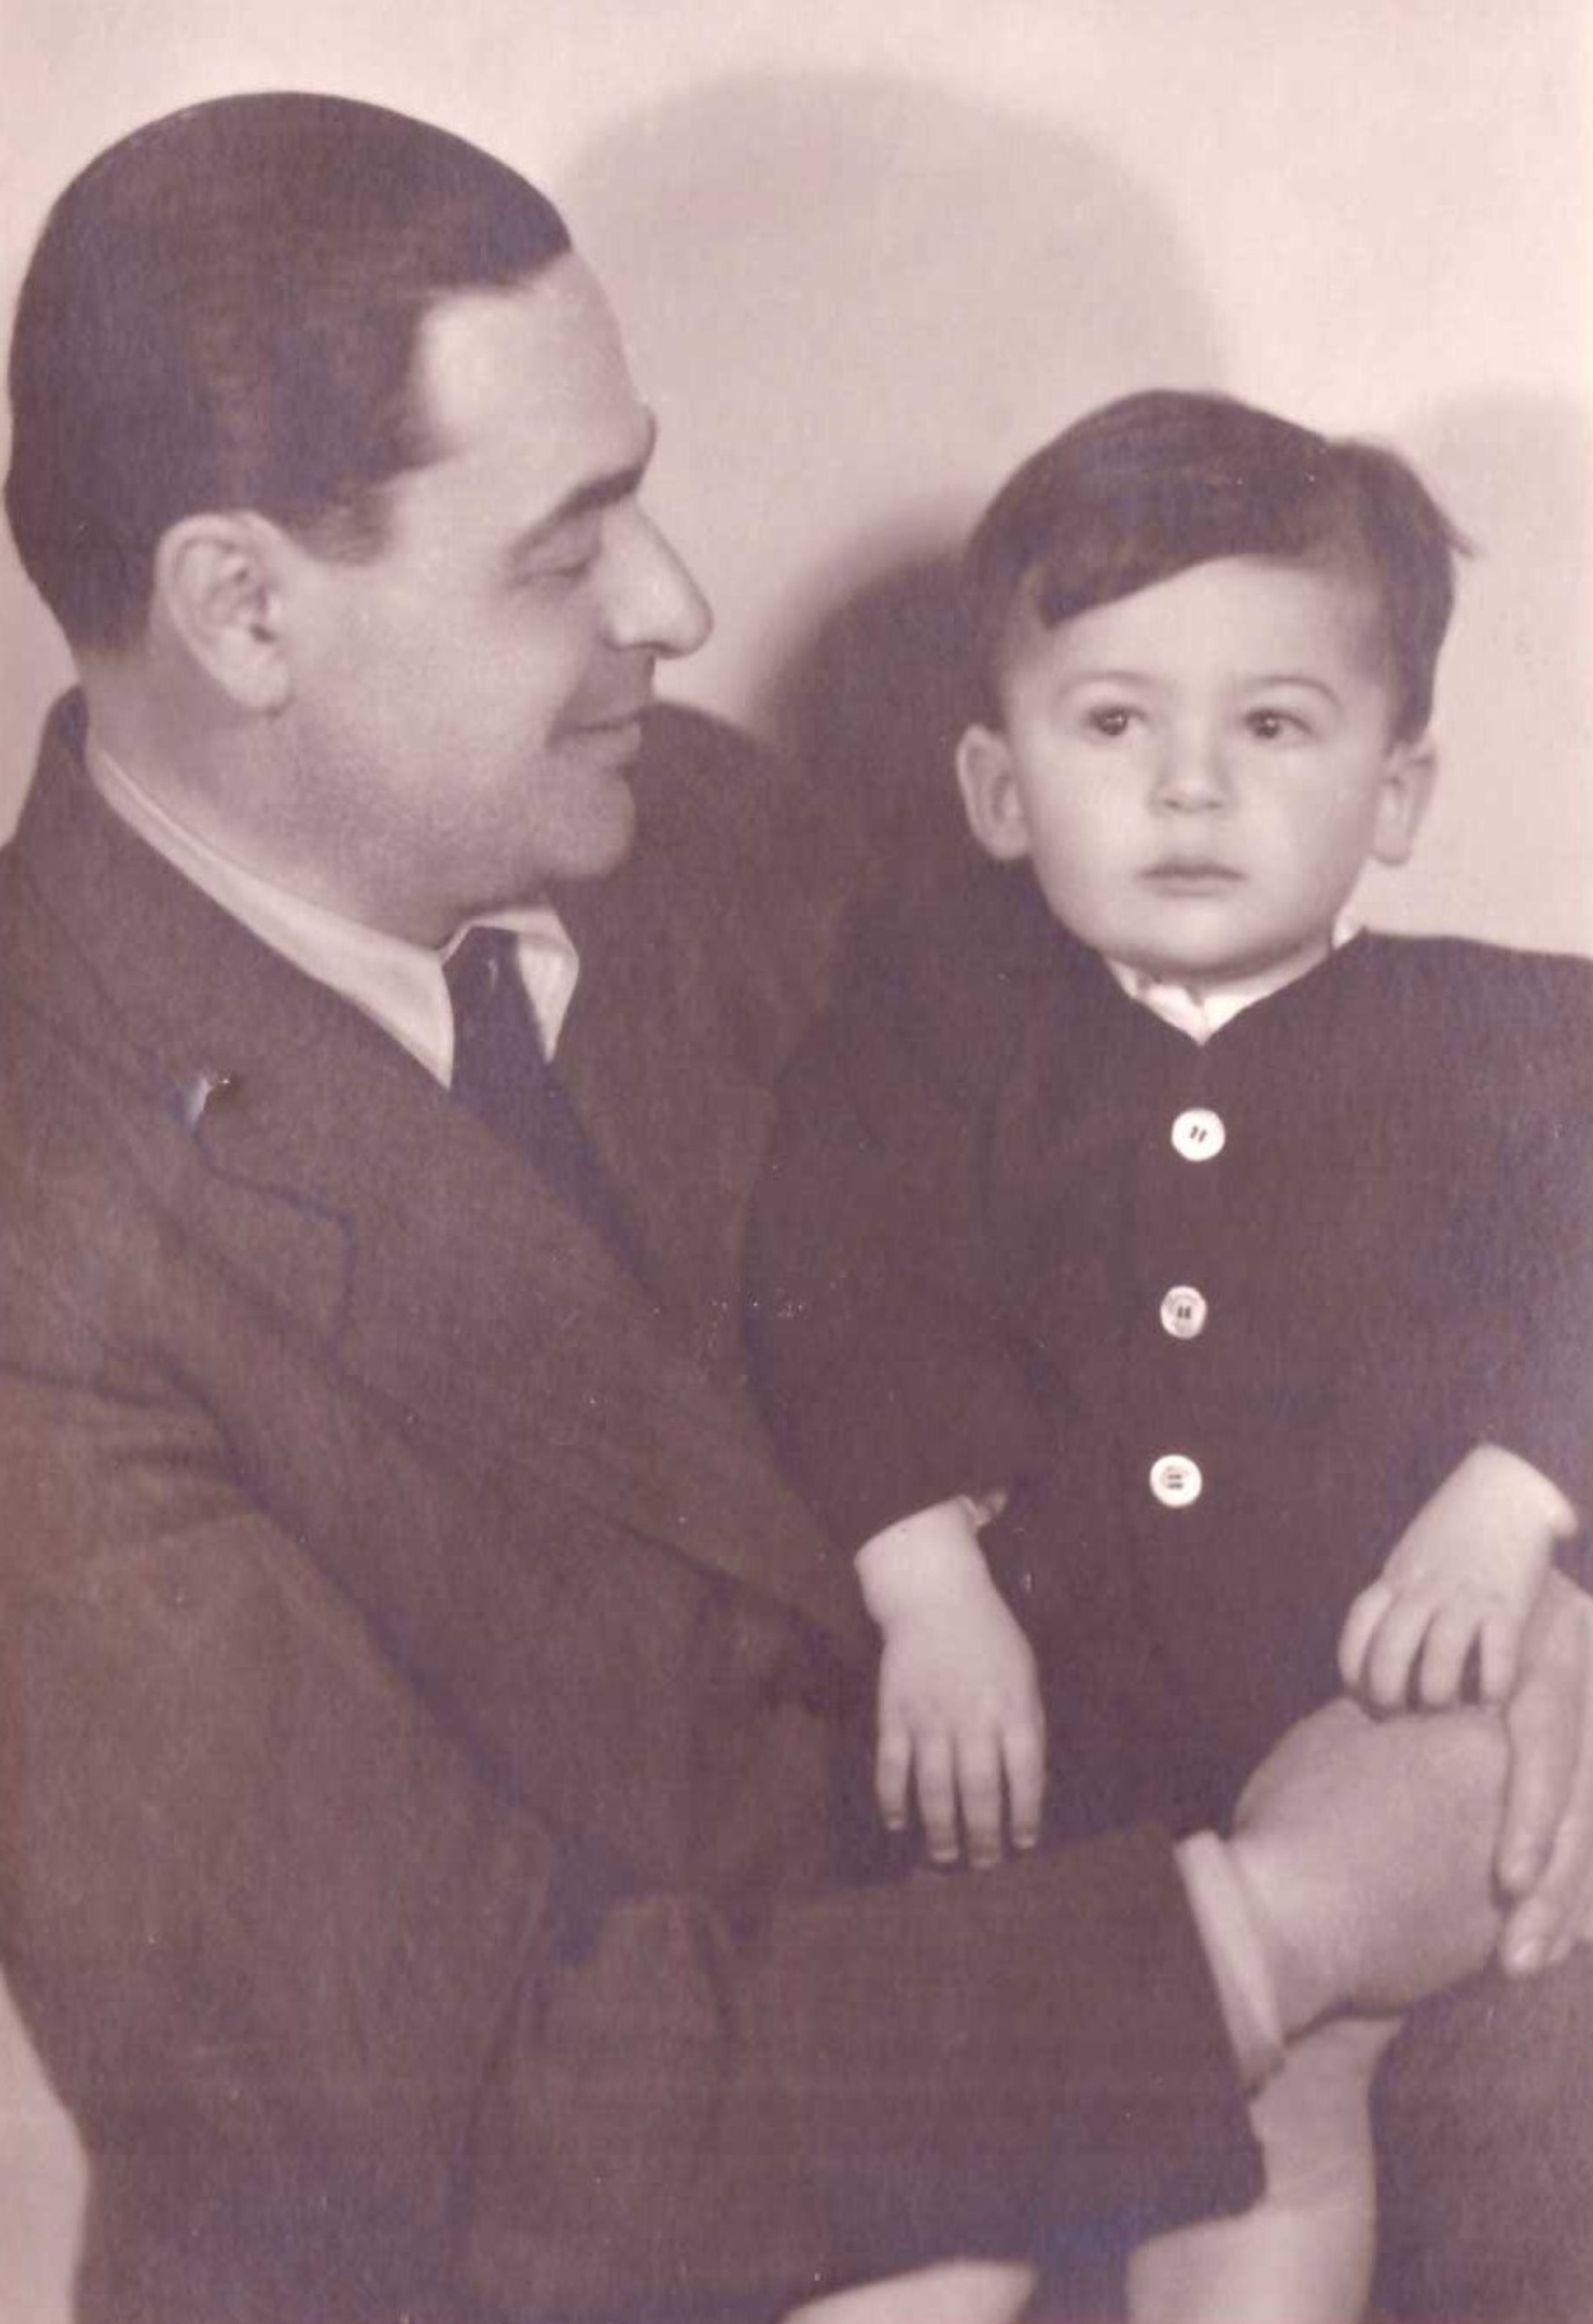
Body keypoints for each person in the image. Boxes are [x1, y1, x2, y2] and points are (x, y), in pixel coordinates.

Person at [0, 100, 1585, 2324]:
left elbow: (1217, 1219)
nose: (678, 604)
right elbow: (471, 2123)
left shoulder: (695, 830)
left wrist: (1521, 1583)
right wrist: (1269, 1928)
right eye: (565, 549)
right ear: (242, 608)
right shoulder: (40, 1226)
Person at [745, 389, 1593, 2318]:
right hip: (1038, 1744)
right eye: (1114, 724)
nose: (1189, 789)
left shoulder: (1516, 1046)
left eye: (1272, 728)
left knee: (1295, 2101)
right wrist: (925, 1582)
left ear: (1396, 790)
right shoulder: (929, 1037)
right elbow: (834, 1292)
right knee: (948, 2172)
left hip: (1354, 1719)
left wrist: (1515, 1495)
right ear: (997, 786)